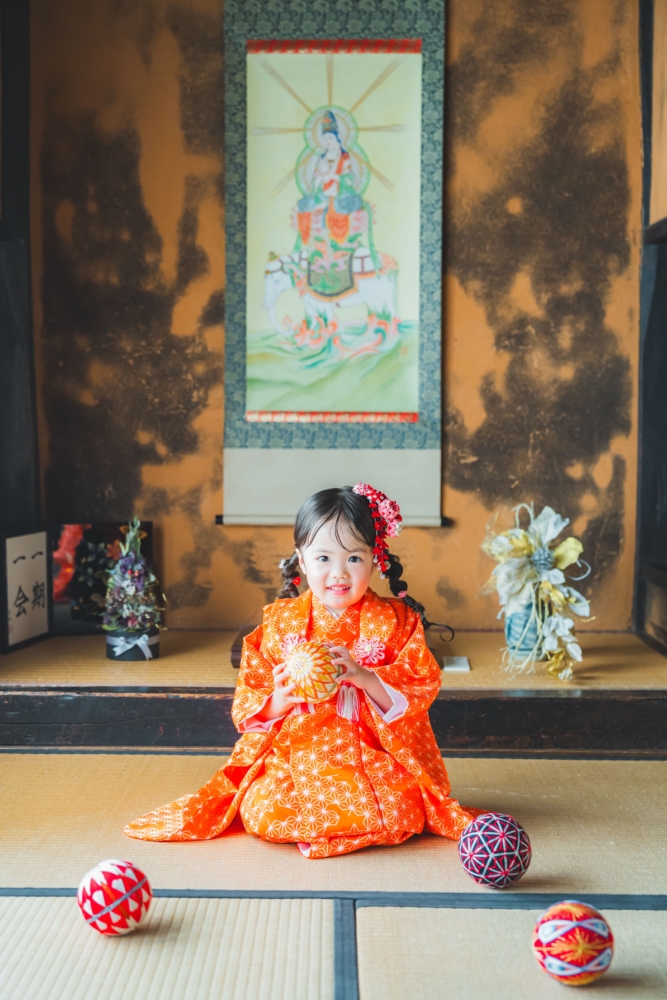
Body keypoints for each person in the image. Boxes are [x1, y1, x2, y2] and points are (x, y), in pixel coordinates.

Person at [124, 483, 482, 859]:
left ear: (375, 559)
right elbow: (251, 697)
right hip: (298, 755)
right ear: (302, 560)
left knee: (402, 806)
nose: (339, 573)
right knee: (265, 809)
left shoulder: (398, 621)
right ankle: (338, 826)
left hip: (371, 756)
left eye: (354, 558)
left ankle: (336, 825)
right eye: (323, 558)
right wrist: (278, 699)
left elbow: (420, 686)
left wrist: (364, 677)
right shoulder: (281, 622)